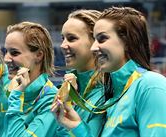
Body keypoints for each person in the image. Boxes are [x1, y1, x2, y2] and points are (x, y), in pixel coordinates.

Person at [51, 6, 166, 137]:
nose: (94, 48)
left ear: (127, 41)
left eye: (102, 39)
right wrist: (76, 126)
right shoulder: (113, 97)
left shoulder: (151, 85)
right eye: (95, 39)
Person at [51, 9, 105, 137]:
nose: (63, 45)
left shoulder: (108, 93)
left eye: (71, 38)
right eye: (63, 38)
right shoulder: (69, 90)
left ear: (95, 41)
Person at [3, 21, 58, 137]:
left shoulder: (53, 101)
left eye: (14, 53)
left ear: (38, 55)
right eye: (6, 52)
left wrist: (16, 96)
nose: (6, 59)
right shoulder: (8, 90)